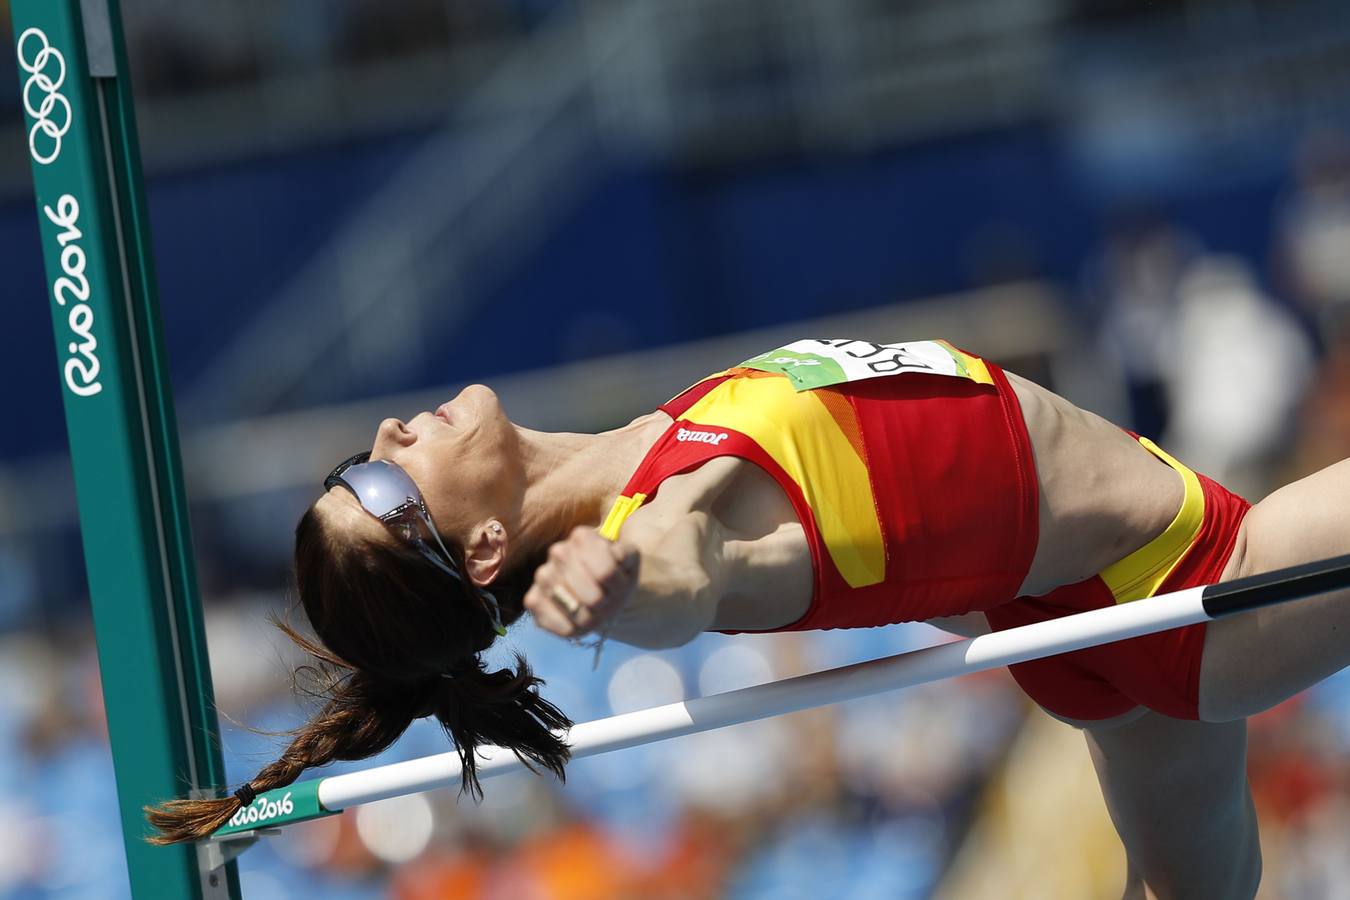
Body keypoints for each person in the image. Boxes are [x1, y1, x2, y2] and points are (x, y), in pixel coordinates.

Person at [146, 339, 1350, 899]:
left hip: (1088, 632)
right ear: (481, 551)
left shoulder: (637, 444)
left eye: (361, 460)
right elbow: (688, 574)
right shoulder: (659, 518)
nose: (394, 439)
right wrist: (626, 589)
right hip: (1197, 588)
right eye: (384, 489)